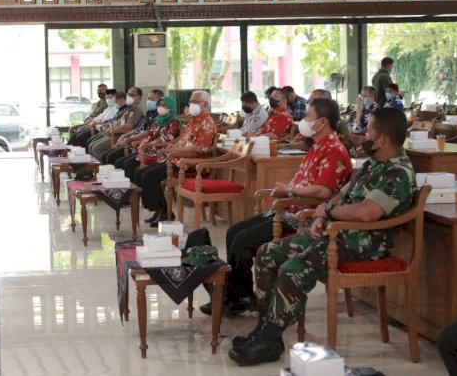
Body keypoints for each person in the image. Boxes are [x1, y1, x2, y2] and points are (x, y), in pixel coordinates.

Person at [229, 108, 417, 366]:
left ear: (383, 139)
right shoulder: (373, 165)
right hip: (336, 235)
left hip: (362, 245)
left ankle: (270, 336)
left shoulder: (397, 173)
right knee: (267, 253)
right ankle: (266, 331)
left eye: (369, 131)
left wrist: (328, 211)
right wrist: (322, 217)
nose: (364, 135)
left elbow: (367, 213)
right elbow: (342, 194)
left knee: (293, 269)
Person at [199, 98, 352, 317]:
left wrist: (291, 191)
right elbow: (304, 181)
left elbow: (323, 192)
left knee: (243, 240)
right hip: (288, 207)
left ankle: (239, 297)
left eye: (308, 116)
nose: (304, 121)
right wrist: (287, 190)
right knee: (234, 232)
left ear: (322, 122)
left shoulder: (333, 149)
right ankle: (237, 295)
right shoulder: (318, 146)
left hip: (304, 215)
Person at [135, 90, 217, 226]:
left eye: (195, 102)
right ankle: (159, 209)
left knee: (149, 176)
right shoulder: (194, 121)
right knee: (140, 173)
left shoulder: (207, 123)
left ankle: (165, 211)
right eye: (191, 102)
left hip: (187, 163)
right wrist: (168, 149)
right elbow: (182, 141)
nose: (191, 104)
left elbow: (199, 149)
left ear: (205, 104)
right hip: (175, 158)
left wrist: (175, 152)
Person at [121, 95, 181, 185]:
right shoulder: (157, 120)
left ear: (171, 107)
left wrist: (149, 144)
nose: (161, 107)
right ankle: (132, 193)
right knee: (123, 162)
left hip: (160, 151)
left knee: (129, 165)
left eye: (164, 105)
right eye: (159, 105)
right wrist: (143, 143)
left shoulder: (174, 121)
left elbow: (168, 138)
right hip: (148, 150)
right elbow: (150, 134)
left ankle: (133, 192)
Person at [102, 89, 162, 166]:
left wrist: (131, 138)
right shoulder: (148, 114)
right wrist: (125, 136)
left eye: (152, 99)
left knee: (114, 159)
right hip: (130, 139)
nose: (149, 101)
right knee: (106, 156)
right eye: (148, 98)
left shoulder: (158, 117)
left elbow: (148, 133)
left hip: (139, 143)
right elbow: (137, 129)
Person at [89, 88, 143, 160]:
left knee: (96, 148)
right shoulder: (127, 109)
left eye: (131, 95)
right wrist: (109, 126)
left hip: (119, 135)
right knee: (91, 145)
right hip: (113, 133)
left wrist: (113, 129)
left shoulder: (135, 110)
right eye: (128, 94)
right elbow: (117, 121)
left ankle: (105, 167)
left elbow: (130, 126)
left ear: (138, 98)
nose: (128, 97)